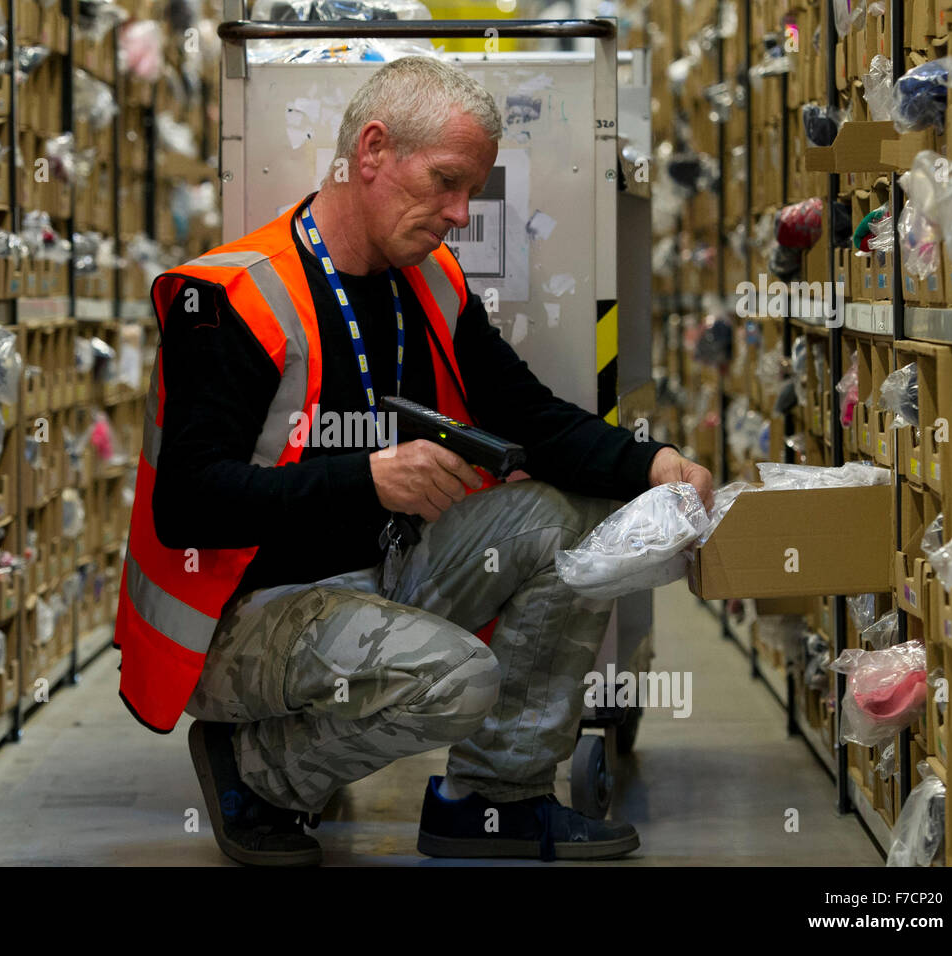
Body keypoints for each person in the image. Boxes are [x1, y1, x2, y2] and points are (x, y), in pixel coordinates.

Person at [113, 55, 714, 866]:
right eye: (445, 182)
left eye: (472, 191)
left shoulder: (426, 280)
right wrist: (365, 478)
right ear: (371, 152)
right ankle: (256, 772)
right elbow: (186, 502)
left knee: (574, 523)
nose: (461, 214)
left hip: (377, 578)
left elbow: (528, 414)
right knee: (460, 678)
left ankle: (491, 801)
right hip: (243, 621)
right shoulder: (233, 300)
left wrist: (656, 465)